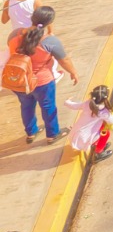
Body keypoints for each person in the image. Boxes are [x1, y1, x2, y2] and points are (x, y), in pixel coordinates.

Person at [5, 8, 77, 145]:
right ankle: (52, 134)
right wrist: (73, 72)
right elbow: (64, 60)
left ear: (32, 18)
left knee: (26, 106)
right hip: (42, 82)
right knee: (48, 107)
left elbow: (12, 49)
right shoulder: (50, 41)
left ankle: (31, 132)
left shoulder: (15, 34)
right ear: (49, 23)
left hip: (20, 81)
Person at [63, 85, 113, 162]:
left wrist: (67, 102)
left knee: (101, 128)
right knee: (105, 134)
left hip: (75, 134)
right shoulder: (103, 112)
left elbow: (74, 106)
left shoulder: (87, 104)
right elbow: (112, 121)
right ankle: (99, 153)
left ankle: (97, 144)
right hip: (84, 138)